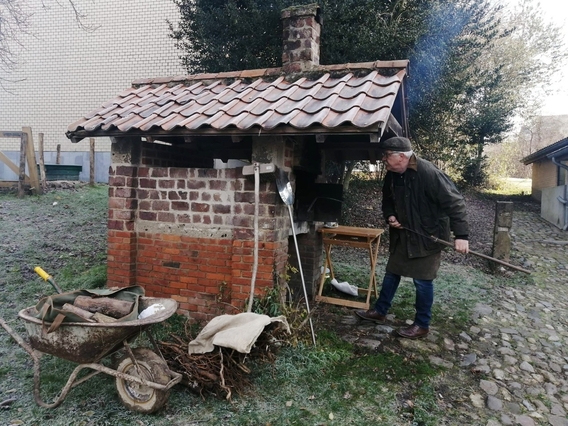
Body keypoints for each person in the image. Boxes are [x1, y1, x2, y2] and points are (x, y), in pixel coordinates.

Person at [355, 136, 469, 339]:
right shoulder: (392, 174)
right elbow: (387, 201)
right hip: (404, 235)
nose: (383, 159)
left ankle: (422, 324)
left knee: (422, 281)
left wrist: (461, 235)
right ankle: (380, 312)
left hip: (429, 237)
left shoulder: (428, 173)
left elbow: (456, 203)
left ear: (401, 156)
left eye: (387, 155)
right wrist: (390, 216)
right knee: (392, 273)